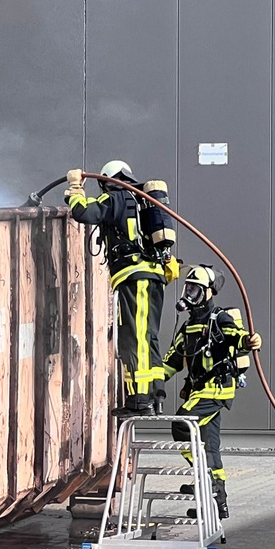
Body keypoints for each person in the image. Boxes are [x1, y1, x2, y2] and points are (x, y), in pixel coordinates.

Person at [65, 161, 180, 416]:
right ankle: (155, 396)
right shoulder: (142, 201)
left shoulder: (116, 197)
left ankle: (139, 400)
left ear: (106, 179)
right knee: (148, 336)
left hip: (134, 276)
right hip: (154, 276)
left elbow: (84, 213)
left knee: (134, 337)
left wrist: (75, 188)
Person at [161, 264, 262, 519]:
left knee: (182, 425)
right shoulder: (187, 328)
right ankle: (218, 502)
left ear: (208, 293)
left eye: (195, 290)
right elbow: (172, 362)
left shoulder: (219, 319)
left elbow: (236, 337)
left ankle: (204, 476)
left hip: (216, 390)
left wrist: (249, 341)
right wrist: (150, 382)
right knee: (210, 446)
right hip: (199, 391)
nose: (190, 295)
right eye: (188, 289)